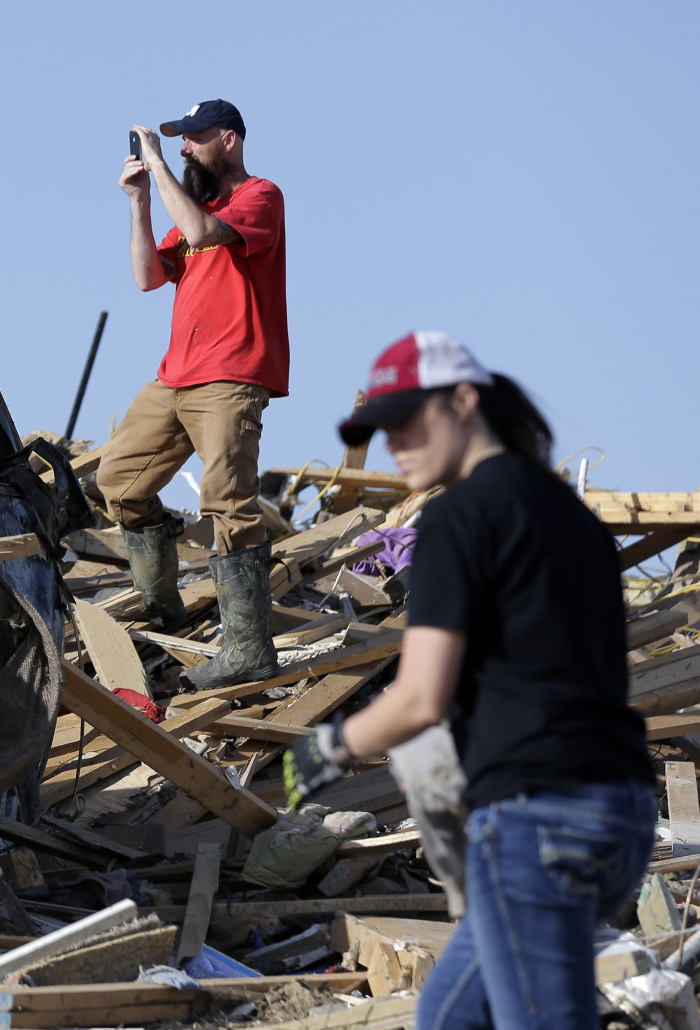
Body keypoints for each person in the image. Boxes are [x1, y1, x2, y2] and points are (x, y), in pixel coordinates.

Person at [283, 331, 655, 1030]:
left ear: (462, 401)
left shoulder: (459, 516)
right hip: (619, 809)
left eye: (406, 419)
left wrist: (330, 745)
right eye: (382, 430)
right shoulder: (572, 518)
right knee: (449, 1015)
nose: (394, 443)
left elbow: (422, 697)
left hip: (536, 818)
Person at [102, 98, 289, 690]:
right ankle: (161, 607)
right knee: (120, 481)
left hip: (230, 376)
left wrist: (157, 165)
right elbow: (147, 277)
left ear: (228, 139)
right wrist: (139, 202)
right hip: (177, 376)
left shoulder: (260, 197)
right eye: (177, 139)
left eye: (193, 137)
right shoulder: (194, 209)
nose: (183, 147)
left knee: (227, 502)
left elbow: (205, 234)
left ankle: (249, 650)